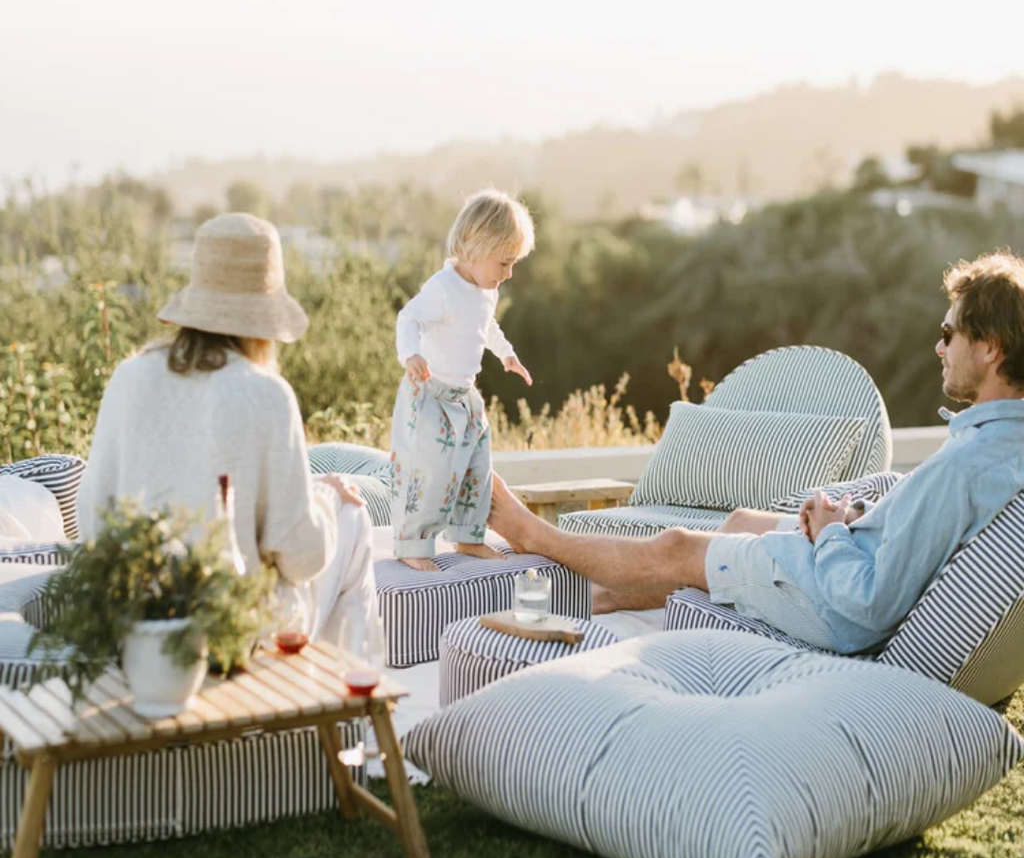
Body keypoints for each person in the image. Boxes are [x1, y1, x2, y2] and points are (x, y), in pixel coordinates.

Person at [489, 251, 1024, 655]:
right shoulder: (999, 444)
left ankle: (534, 534)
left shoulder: (964, 467)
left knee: (678, 546)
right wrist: (848, 519)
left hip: (830, 603)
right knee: (743, 518)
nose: (939, 345)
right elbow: (913, 537)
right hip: (847, 556)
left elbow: (871, 602)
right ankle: (597, 603)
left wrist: (833, 535)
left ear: (990, 347)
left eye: (949, 332)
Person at [77, 213, 383, 653]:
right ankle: (347, 701)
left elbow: (93, 518)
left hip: (134, 630)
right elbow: (302, 558)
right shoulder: (264, 394)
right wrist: (326, 500)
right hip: (231, 631)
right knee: (351, 517)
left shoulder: (129, 377)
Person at [390, 188, 535, 570]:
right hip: (431, 394)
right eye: (504, 262)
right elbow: (409, 318)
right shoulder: (443, 287)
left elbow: (486, 327)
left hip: (465, 396)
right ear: (475, 246)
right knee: (430, 471)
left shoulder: (486, 292)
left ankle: (469, 536)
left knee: (476, 467)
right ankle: (412, 544)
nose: (509, 273)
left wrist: (506, 354)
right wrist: (412, 355)